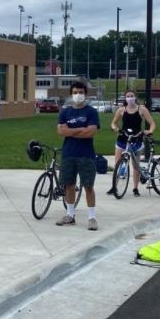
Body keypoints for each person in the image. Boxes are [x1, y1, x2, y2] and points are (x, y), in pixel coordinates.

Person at [56, 81, 100, 231]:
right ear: (71, 94)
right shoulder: (65, 112)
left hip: (86, 155)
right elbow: (61, 132)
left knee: (88, 186)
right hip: (69, 153)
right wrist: (81, 129)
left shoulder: (91, 112)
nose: (78, 95)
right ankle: (70, 215)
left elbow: (91, 132)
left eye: (80, 92)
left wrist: (71, 130)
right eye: (75, 92)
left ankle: (92, 217)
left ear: (85, 94)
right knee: (69, 185)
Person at [107, 91, 156, 197]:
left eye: (132, 96)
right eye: (128, 96)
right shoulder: (121, 110)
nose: (130, 98)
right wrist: (115, 128)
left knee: (135, 166)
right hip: (123, 139)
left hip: (136, 139)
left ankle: (135, 188)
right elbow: (113, 123)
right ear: (125, 98)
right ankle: (114, 186)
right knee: (118, 165)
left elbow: (152, 123)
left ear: (135, 97)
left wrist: (150, 131)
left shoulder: (141, 109)